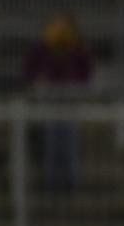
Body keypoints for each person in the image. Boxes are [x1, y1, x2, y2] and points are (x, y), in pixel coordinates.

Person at [24, 10, 93, 190]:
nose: (60, 28)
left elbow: (85, 72)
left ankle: (70, 183)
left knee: (69, 142)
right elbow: (30, 71)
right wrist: (38, 81)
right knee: (51, 142)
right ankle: (52, 183)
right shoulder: (42, 47)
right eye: (56, 23)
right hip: (49, 100)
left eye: (64, 24)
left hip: (69, 100)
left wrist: (76, 84)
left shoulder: (76, 47)